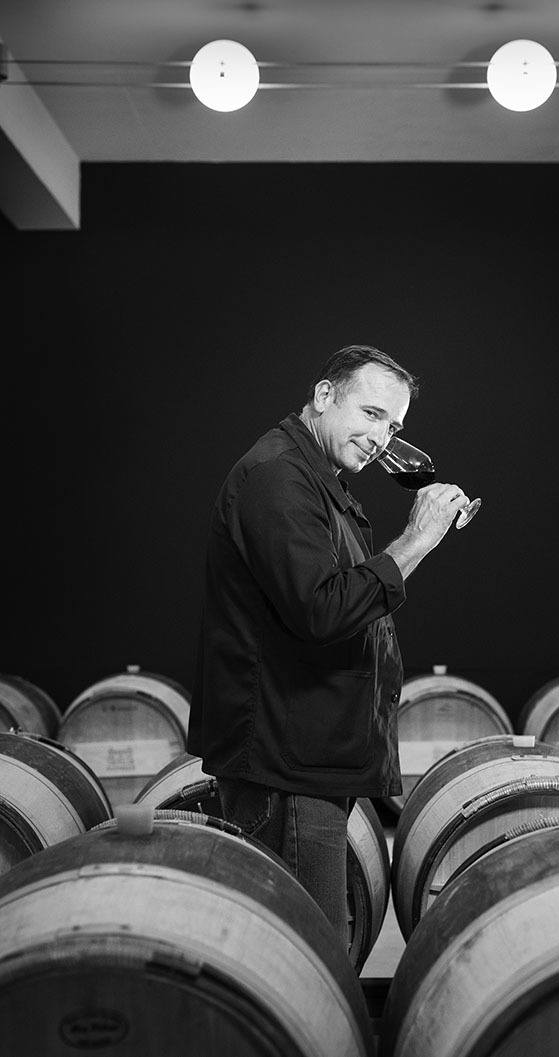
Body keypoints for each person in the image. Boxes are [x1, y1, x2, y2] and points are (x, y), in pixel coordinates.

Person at [187, 345, 469, 950]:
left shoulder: (315, 478)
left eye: (393, 426)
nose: (380, 438)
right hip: (287, 765)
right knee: (311, 954)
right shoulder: (278, 479)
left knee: (307, 948)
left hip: (308, 759)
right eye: (370, 414)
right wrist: (417, 540)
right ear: (323, 396)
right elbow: (321, 609)